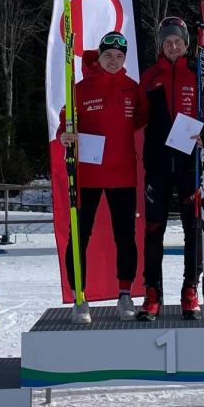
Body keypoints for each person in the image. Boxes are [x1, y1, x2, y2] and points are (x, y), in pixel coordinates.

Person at [138, 16, 204, 321]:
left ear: (186, 43)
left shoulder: (202, 74)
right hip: (158, 164)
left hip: (192, 164)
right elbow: (134, 116)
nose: (173, 46)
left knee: (194, 229)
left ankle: (189, 291)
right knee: (154, 229)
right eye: (167, 42)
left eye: (177, 41)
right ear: (160, 45)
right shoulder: (150, 77)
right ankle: (152, 293)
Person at [58, 31, 147, 324]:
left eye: (119, 57)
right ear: (99, 57)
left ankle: (125, 295)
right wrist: (65, 135)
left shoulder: (132, 89)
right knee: (79, 235)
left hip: (123, 175)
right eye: (108, 55)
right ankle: (79, 297)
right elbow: (65, 124)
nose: (113, 61)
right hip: (88, 176)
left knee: (125, 236)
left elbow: (143, 120)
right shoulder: (80, 89)